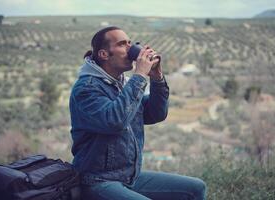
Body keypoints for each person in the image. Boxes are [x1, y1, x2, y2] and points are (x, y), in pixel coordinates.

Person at [69, 26, 206, 200]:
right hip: (96, 180)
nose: (129, 48)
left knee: (195, 188)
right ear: (104, 54)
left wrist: (156, 77)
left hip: (128, 177)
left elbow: (155, 114)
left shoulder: (122, 84)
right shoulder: (87, 88)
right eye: (122, 44)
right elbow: (115, 121)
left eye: (130, 43)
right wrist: (139, 75)